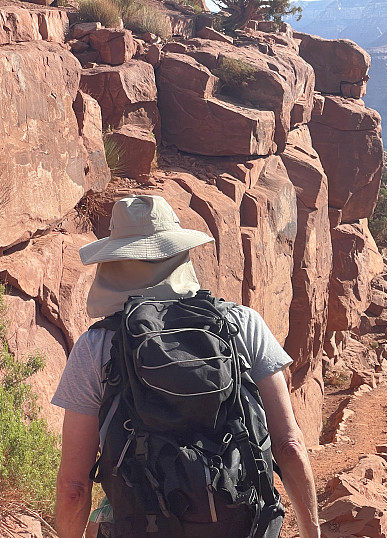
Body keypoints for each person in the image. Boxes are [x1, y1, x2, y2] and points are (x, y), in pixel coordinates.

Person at [51, 195, 320, 538]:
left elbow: (74, 487)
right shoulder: (242, 323)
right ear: (180, 253)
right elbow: (290, 446)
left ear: (113, 262)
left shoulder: (97, 346)